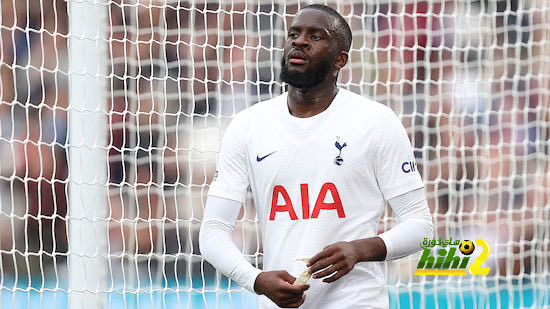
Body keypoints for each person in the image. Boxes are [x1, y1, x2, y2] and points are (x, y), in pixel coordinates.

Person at [199, 4, 434, 308]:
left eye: (316, 36)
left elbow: (420, 225)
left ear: (340, 59)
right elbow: (213, 230)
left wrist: (359, 249)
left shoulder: (376, 121)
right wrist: (255, 280)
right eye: (293, 34)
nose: (299, 41)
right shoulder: (248, 125)